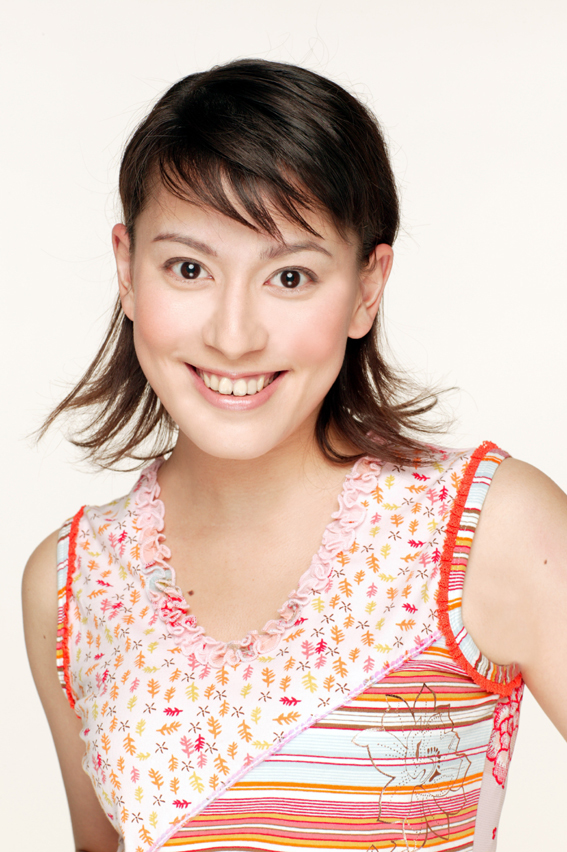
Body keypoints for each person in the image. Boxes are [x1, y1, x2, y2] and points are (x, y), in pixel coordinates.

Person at [22, 58, 567, 852]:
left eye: (288, 276)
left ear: (366, 288)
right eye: (188, 268)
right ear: (127, 272)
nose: (233, 335)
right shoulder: (71, 583)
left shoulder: (490, 528)